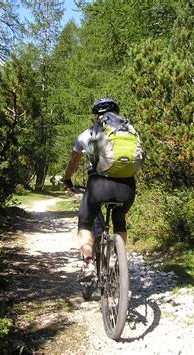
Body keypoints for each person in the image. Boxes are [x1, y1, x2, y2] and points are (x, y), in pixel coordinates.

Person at [63, 98, 136, 281]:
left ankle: (88, 264)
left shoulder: (87, 134)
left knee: (85, 223)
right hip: (127, 187)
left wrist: (67, 179)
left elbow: (74, 162)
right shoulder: (129, 131)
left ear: (95, 116)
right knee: (119, 220)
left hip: (98, 186)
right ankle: (119, 262)